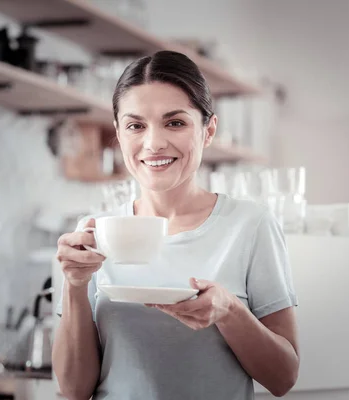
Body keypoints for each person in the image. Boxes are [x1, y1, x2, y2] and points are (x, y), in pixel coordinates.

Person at [52, 50, 300, 400]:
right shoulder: (93, 234)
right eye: (136, 125)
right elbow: (73, 389)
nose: (154, 143)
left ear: (208, 130)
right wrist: (75, 286)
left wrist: (229, 311)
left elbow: (283, 377)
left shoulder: (250, 225)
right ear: (119, 134)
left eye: (175, 122)